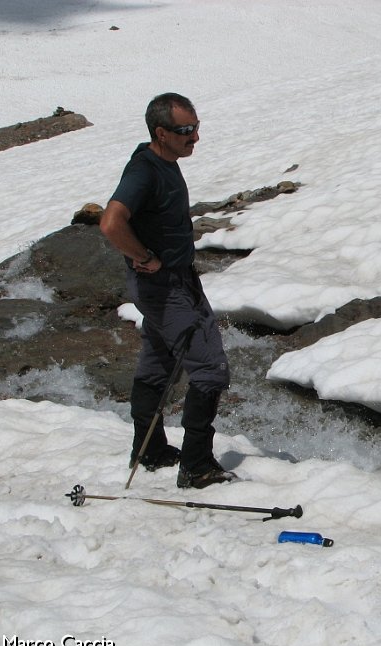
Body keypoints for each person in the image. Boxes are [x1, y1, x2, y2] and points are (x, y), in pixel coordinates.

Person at [100, 92, 235, 489]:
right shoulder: (145, 171)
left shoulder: (162, 160)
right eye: (186, 131)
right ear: (161, 132)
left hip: (171, 282)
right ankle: (196, 467)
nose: (195, 137)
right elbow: (110, 223)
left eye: (196, 127)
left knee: (158, 359)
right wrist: (144, 257)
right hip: (165, 286)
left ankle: (151, 448)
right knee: (209, 368)